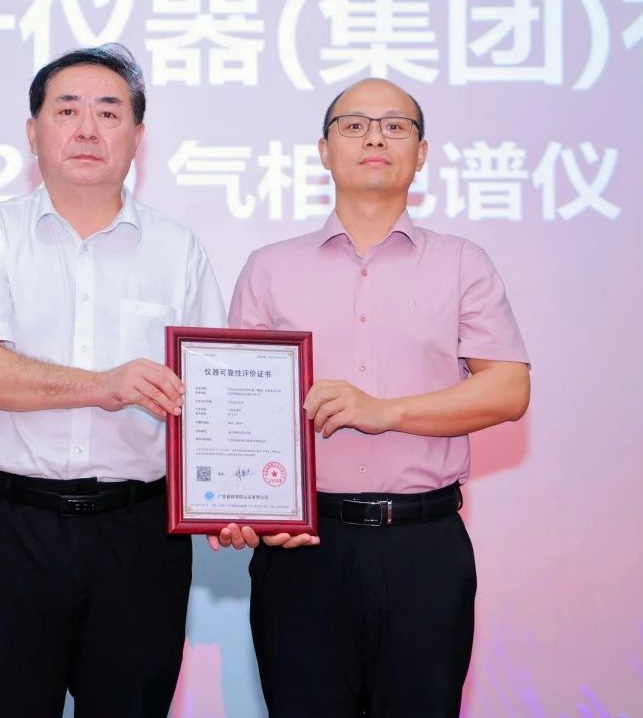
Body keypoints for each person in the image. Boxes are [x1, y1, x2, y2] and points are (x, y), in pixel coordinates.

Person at [214, 78, 531, 717]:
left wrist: (385, 412)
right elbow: (237, 408)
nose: (375, 138)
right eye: (355, 125)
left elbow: (508, 388)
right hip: (303, 550)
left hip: (423, 546)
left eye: (395, 126)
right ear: (324, 150)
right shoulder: (270, 268)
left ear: (421, 153)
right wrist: (245, 505)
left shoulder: (462, 263)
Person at [0, 44, 225, 717]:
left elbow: (211, 395)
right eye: (67, 111)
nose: (88, 129)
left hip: (140, 535)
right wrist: (104, 385)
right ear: (33, 133)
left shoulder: (178, 250)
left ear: (138, 137)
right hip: (11, 530)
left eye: (109, 113)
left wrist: (230, 500)